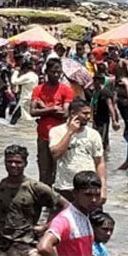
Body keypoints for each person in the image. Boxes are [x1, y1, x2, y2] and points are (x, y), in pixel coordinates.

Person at [0, 144, 66, 256]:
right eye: (9, 161)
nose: (13, 165)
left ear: (25, 164)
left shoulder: (36, 187)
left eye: (18, 162)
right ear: (4, 162)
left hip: (29, 246)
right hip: (4, 247)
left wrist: (46, 227)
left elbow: (66, 207)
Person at [48, 100, 106, 203]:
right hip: (65, 186)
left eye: (89, 113)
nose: (88, 117)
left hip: (89, 188)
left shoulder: (94, 134)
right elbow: (55, 154)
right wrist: (70, 132)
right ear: (73, 114)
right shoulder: (57, 131)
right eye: (85, 113)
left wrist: (103, 187)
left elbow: (100, 162)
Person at [37, 170, 103, 256]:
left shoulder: (85, 215)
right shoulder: (65, 219)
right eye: (88, 195)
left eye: (97, 195)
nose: (94, 200)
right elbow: (43, 247)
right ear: (75, 193)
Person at [30, 58, 73, 186]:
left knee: (59, 171)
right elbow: (32, 112)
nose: (56, 75)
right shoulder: (38, 90)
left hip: (60, 137)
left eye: (58, 72)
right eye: (53, 72)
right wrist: (53, 108)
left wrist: (43, 108)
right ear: (47, 72)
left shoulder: (66, 90)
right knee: (44, 172)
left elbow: (65, 113)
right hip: (43, 136)